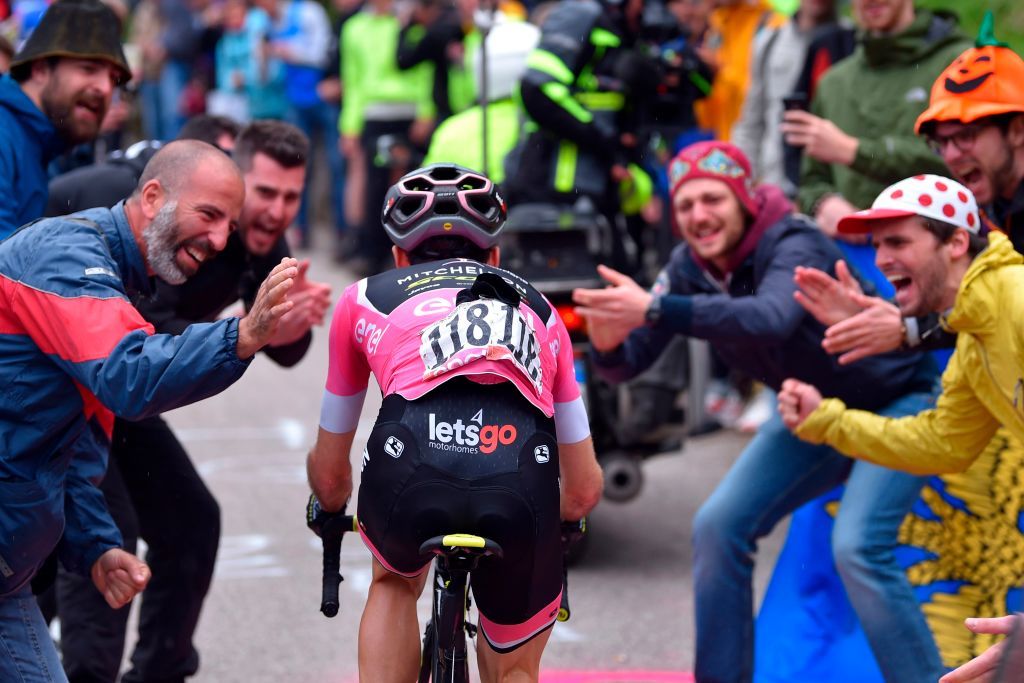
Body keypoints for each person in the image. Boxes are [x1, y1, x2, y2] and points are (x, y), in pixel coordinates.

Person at [571, 140, 945, 682]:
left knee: (858, 547)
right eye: (685, 205)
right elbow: (629, 362)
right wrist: (606, 344)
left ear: (743, 197)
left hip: (898, 400)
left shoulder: (793, 240)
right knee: (719, 528)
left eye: (712, 199)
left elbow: (769, 317)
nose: (699, 216)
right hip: (812, 412)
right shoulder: (687, 267)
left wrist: (654, 306)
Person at [0, 139, 298, 682]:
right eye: (208, 214)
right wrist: (241, 336)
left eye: (227, 224)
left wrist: (96, 547)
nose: (217, 238)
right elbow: (129, 375)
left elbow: (63, 445)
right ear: (154, 196)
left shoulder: (123, 275)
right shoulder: (69, 255)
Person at [305, 163, 603, 682]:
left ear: (399, 256)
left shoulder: (364, 298)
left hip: (411, 462)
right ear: (496, 258)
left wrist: (330, 507)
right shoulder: (541, 310)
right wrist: (565, 525)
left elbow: (331, 471)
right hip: (519, 472)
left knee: (394, 584)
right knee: (513, 665)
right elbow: (582, 488)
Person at [784, 17, 1024, 364]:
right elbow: (981, 315)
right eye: (940, 143)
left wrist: (905, 328)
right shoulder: (987, 207)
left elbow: (998, 314)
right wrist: (895, 323)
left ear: (1017, 131)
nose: (952, 156)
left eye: (967, 136)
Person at [779, 173, 1019, 477]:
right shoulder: (972, 340)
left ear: (957, 243)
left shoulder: (1016, 299)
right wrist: (827, 421)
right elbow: (944, 445)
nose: (880, 260)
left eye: (897, 243)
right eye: (877, 245)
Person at [784, 0, 969, 241]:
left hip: (941, 248)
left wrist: (854, 152)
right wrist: (823, 203)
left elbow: (965, 161)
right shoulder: (833, 83)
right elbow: (811, 179)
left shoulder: (959, 62)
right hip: (852, 258)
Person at [0, 0, 131, 237]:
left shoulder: (43, 140)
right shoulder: (4, 132)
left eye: (114, 78)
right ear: (40, 69)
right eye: (88, 69)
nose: (105, 88)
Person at [730, 0, 840, 196]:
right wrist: (742, 184)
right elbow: (751, 121)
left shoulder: (854, 41)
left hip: (835, 192)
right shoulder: (770, 41)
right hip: (777, 185)